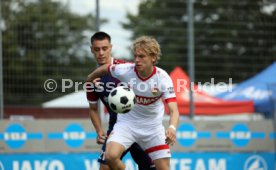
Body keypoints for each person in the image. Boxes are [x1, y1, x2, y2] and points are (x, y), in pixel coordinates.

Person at [87, 35, 179, 170]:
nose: (137, 60)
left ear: (153, 57)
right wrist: (90, 78)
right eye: (135, 56)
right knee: (110, 157)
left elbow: (174, 109)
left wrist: (172, 128)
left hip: (152, 128)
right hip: (126, 125)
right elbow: (105, 68)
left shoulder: (163, 78)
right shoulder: (125, 70)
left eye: (141, 56)